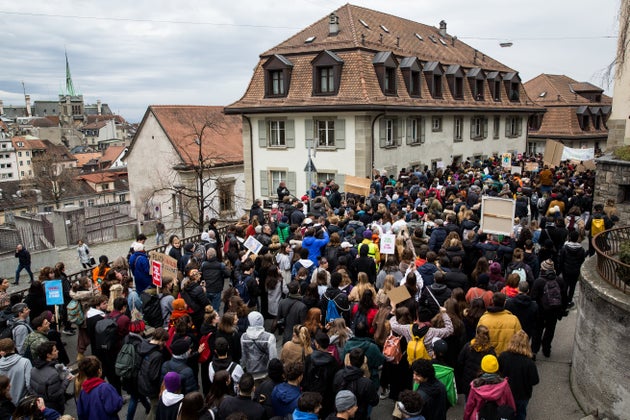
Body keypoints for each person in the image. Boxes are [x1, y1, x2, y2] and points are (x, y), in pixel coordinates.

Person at [498, 331, 539, 420]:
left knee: (505, 414)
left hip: (506, 392)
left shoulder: (503, 356)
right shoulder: (529, 362)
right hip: (523, 395)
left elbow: (498, 372)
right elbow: (535, 380)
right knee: (520, 414)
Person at [463, 355, 516, 420]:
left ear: (482, 367)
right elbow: (510, 403)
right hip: (499, 416)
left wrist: (466, 417)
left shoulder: (475, 385)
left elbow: (469, 405)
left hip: (479, 416)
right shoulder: (504, 385)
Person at [333, 348, 379, 420]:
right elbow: (374, 401)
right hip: (359, 415)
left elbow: (334, 390)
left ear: (349, 359)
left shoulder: (338, 374)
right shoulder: (367, 383)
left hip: (341, 412)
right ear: (363, 362)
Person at [29, 341, 74, 414]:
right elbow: (56, 395)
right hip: (54, 407)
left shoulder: (33, 369)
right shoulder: (53, 375)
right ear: (48, 355)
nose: (57, 351)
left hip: (42, 404)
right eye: (55, 351)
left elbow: (31, 388)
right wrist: (66, 381)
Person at [76, 356, 124, 420]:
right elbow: (113, 407)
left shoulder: (83, 392)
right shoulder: (105, 388)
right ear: (99, 371)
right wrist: (120, 399)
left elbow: (80, 414)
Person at [240, 311, 278, 382]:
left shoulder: (244, 337)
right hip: (265, 372)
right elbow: (273, 357)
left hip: (250, 372)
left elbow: (243, 355)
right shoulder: (269, 337)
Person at [0, 338, 32, 404]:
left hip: (4, 403)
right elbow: (29, 384)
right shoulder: (25, 362)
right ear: (14, 346)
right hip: (22, 403)